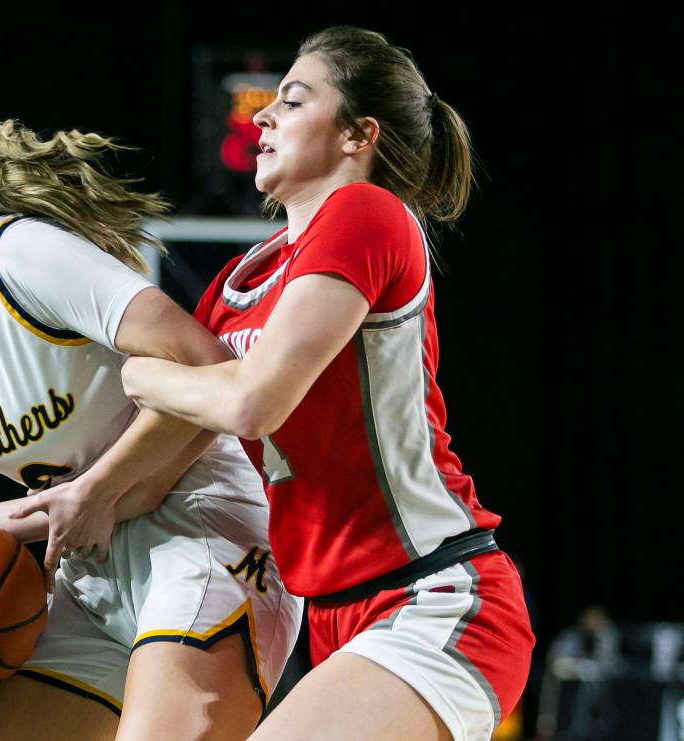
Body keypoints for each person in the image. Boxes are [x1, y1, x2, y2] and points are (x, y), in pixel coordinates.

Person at [0, 104, 302, 741]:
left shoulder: (21, 256)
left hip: (204, 532)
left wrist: (98, 490)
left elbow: (209, 367)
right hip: (86, 569)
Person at [120, 26, 535, 741]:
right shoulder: (240, 279)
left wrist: (139, 372)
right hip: (338, 618)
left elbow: (251, 401)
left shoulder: (366, 210)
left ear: (357, 135)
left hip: (435, 596)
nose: (262, 116)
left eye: (293, 100)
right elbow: (161, 461)